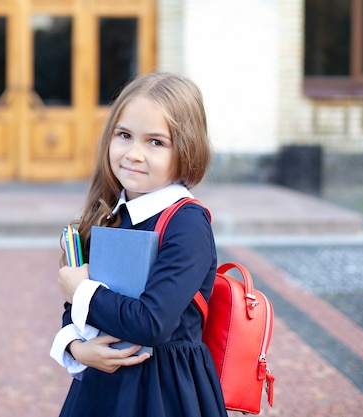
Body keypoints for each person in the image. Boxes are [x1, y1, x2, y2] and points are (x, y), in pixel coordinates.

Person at [49, 72, 228, 417]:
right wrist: (73, 345)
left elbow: (152, 323)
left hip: (163, 390)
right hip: (101, 387)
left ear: (187, 149)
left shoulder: (187, 223)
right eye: (124, 135)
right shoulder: (111, 214)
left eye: (156, 142)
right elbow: (78, 312)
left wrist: (82, 289)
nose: (134, 154)